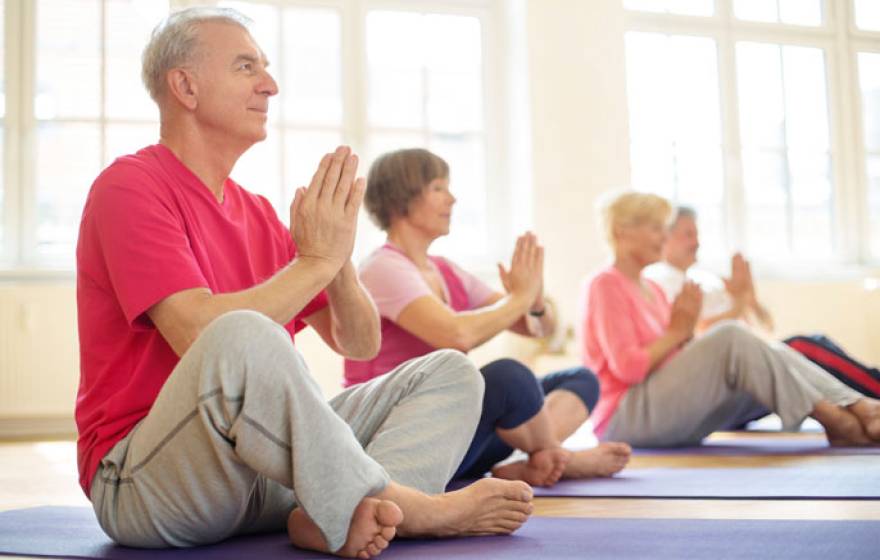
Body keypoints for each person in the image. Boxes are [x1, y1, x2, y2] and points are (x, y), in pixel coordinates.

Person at [75, 8, 533, 559]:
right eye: (246, 67)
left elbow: (359, 342)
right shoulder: (130, 186)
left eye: (264, 68)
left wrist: (337, 260)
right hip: (149, 482)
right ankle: (403, 506)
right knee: (242, 333)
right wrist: (315, 260)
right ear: (186, 87)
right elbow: (196, 333)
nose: (270, 84)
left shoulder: (259, 214)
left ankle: (350, 513)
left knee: (450, 372)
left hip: (261, 478)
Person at [344, 148, 631, 487]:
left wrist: (535, 301)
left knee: (581, 379)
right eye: (438, 188)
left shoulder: (445, 270)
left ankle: (538, 459)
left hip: (452, 434)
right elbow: (456, 334)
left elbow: (536, 328)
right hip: (400, 438)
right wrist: (519, 298)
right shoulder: (382, 268)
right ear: (399, 199)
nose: (452, 199)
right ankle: (558, 458)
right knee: (509, 378)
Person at [577, 190, 880, 448]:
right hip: (624, 418)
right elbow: (628, 368)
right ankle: (838, 419)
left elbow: (676, 357)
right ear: (622, 232)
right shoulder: (605, 285)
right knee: (730, 334)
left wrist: (685, 334)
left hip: (662, 406)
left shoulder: (653, 289)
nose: (664, 237)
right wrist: (677, 333)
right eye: (656, 228)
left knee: (771, 354)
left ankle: (857, 406)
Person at [645, 206, 880, 399]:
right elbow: (695, 333)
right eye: (688, 235)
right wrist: (738, 303)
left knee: (816, 343)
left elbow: (766, 324)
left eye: (697, 234)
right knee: (805, 347)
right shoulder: (660, 279)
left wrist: (749, 295)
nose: (696, 242)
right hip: (724, 369)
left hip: (753, 353)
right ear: (666, 238)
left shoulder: (706, 278)